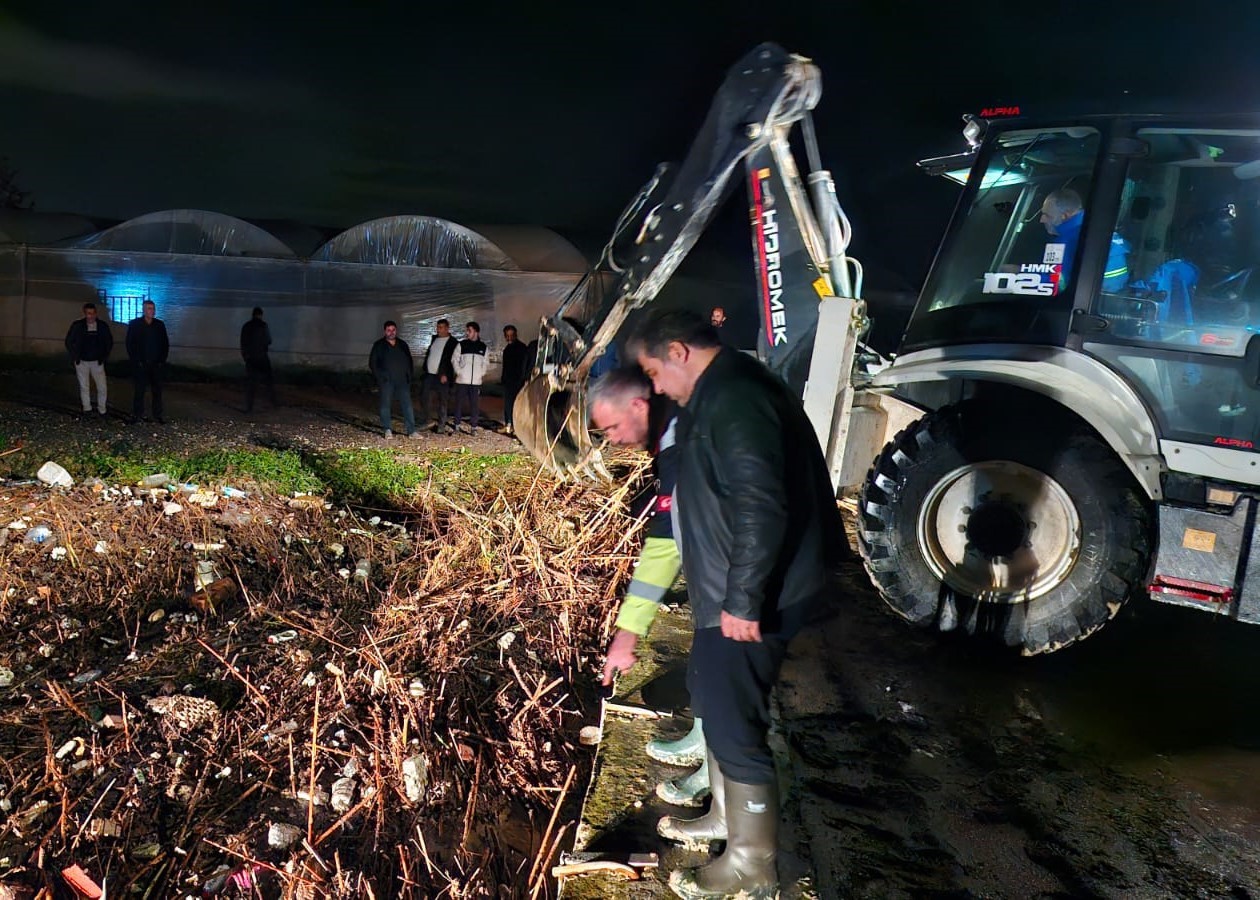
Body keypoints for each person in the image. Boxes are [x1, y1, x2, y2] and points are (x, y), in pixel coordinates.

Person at [626, 308, 841, 899]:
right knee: (718, 708)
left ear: (678, 351)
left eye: (654, 371)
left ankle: (752, 864)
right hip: (731, 587)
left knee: (733, 722)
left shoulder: (735, 398)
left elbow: (760, 503)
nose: (657, 386)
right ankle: (727, 820)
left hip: (751, 594)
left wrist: (744, 600)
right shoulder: (726, 392)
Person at [591, 368, 709, 807]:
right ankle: (702, 736)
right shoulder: (674, 432)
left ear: (639, 405)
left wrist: (628, 632)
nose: (614, 440)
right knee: (705, 665)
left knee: (725, 678)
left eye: (612, 428)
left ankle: (721, 785)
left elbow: (665, 540)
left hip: (747, 579)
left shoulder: (684, 442)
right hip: (722, 574)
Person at [1039, 188, 1130, 293]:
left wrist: (1020, 275)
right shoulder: (1099, 229)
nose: (1042, 220)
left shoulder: (1070, 240)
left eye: (1047, 215)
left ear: (1065, 216)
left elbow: (1058, 284)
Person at [368, 320, 418, 439]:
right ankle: (387, 429)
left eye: (393, 330)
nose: (391, 332)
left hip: (402, 381)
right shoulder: (379, 345)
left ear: (396, 330)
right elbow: (373, 363)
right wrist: (380, 377)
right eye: (389, 330)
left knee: (407, 405)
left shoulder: (402, 344)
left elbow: (409, 360)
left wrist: (409, 376)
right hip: (387, 381)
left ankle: (411, 431)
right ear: (385, 331)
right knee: (385, 405)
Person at [64, 302, 113, 417]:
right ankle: (87, 408)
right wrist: (75, 356)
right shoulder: (78, 325)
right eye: (87, 314)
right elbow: (69, 341)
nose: (90, 316)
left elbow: (108, 342)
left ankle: (102, 409)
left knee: (102, 387)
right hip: (82, 361)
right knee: (84, 386)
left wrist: (103, 357)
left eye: (91, 313)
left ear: (95, 314)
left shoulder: (102, 326)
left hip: (97, 361)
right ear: (85, 314)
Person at [125, 300, 169, 424]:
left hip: (156, 364)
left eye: (153, 308)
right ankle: (137, 414)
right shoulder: (135, 324)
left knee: (157, 391)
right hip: (141, 364)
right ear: (144, 310)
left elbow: (164, 344)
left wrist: (161, 361)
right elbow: (130, 344)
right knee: (139, 390)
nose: (152, 311)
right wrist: (136, 360)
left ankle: (157, 414)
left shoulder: (159, 325)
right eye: (149, 308)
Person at [420, 319, 458, 433]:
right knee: (424, 396)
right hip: (429, 374)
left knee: (443, 400)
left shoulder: (453, 342)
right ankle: (428, 420)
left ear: (447, 328)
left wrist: (446, 374)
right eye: (438, 327)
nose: (438, 330)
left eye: (441, 327)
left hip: (442, 376)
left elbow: (453, 360)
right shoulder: (434, 339)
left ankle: (441, 424)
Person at [453, 321, 488, 433]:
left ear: (476, 332)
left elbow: (486, 363)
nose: (467, 333)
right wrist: (459, 372)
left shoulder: (483, 347)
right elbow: (454, 359)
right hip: (462, 381)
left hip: (475, 382)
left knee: (474, 405)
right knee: (459, 404)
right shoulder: (462, 344)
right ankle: (457, 425)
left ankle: (473, 427)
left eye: (469, 330)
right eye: (467, 330)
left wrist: (480, 374)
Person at [239, 306, 276, 413]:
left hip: (250, 358)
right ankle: (273, 403)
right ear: (260, 315)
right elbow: (268, 340)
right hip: (262, 357)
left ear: (253, 314)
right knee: (268, 381)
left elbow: (243, 343)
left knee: (251, 384)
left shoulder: (246, 326)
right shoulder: (263, 326)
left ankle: (249, 407)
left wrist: (246, 356)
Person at [500, 324, 529, 436]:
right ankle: (509, 425)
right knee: (508, 404)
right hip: (509, 381)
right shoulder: (508, 349)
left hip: (517, 381)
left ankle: (516, 427)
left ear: (515, 335)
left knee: (517, 405)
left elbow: (524, 366)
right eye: (507, 336)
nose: (509, 338)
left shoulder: (521, 348)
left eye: (511, 335)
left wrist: (523, 379)